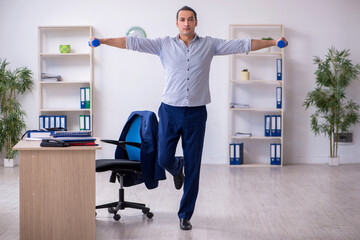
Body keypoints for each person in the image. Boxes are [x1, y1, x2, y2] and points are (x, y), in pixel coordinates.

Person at [89, 6, 288, 230]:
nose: (186, 23)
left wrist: (273, 43)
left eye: (190, 19)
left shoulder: (209, 45)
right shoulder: (164, 44)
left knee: (194, 166)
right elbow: (132, 43)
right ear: (177, 23)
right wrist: (103, 41)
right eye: (182, 20)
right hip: (169, 111)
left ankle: (185, 215)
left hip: (196, 112)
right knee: (164, 158)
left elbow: (242, 45)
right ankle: (177, 167)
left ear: (196, 22)